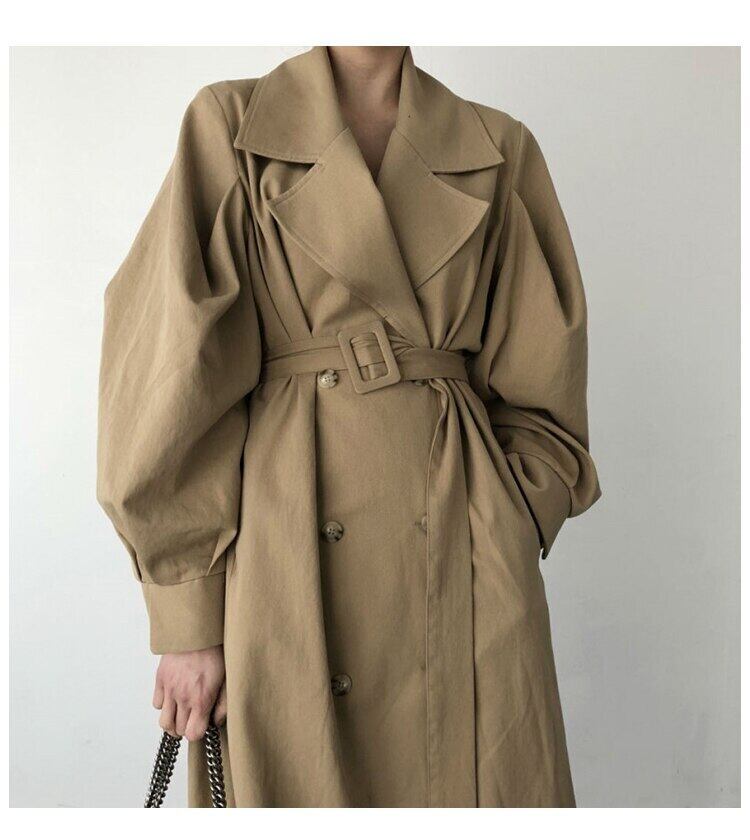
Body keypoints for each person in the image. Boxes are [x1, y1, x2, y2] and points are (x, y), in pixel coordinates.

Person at [98, 45, 601, 807]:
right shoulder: (233, 126)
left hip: (467, 570)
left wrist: (506, 517)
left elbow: (545, 383)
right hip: (285, 567)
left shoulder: (497, 147)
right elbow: (169, 375)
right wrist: (189, 618)